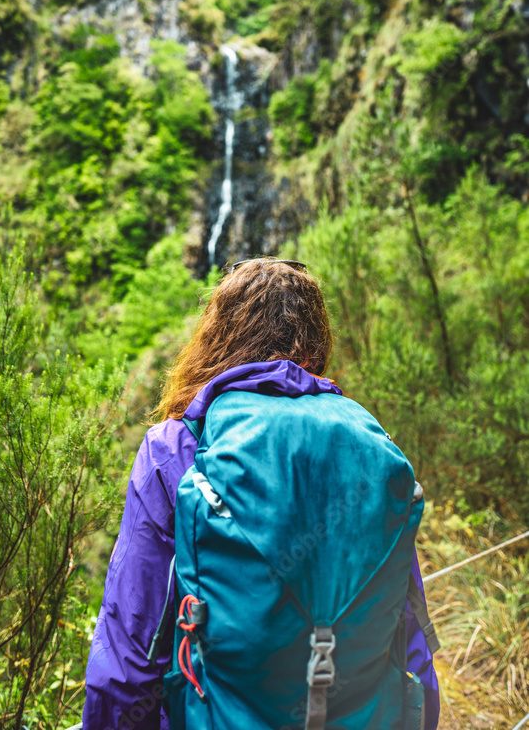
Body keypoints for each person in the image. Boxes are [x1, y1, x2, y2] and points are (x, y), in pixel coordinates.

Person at [82, 258, 440, 730]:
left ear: (220, 339)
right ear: (315, 346)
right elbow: (410, 642)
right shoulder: (369, 445)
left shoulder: (177, 449)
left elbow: (130, 654)